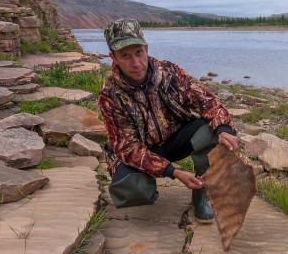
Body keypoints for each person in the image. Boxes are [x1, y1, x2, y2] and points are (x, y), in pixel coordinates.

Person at [98, 18, 238, 223]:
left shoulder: (170, 72)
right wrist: (173, 172)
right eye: (125, 56)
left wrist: (224, 129)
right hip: (139, 151)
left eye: (138, 52)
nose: (136, 63)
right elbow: (128, 149)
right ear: (113, 57)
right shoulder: (109, 95)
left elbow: (207, 101)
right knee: (134, 191)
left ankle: (201, 195)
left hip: (174, 140)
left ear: (146, 48)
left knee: (214, 131)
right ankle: (147, 184)